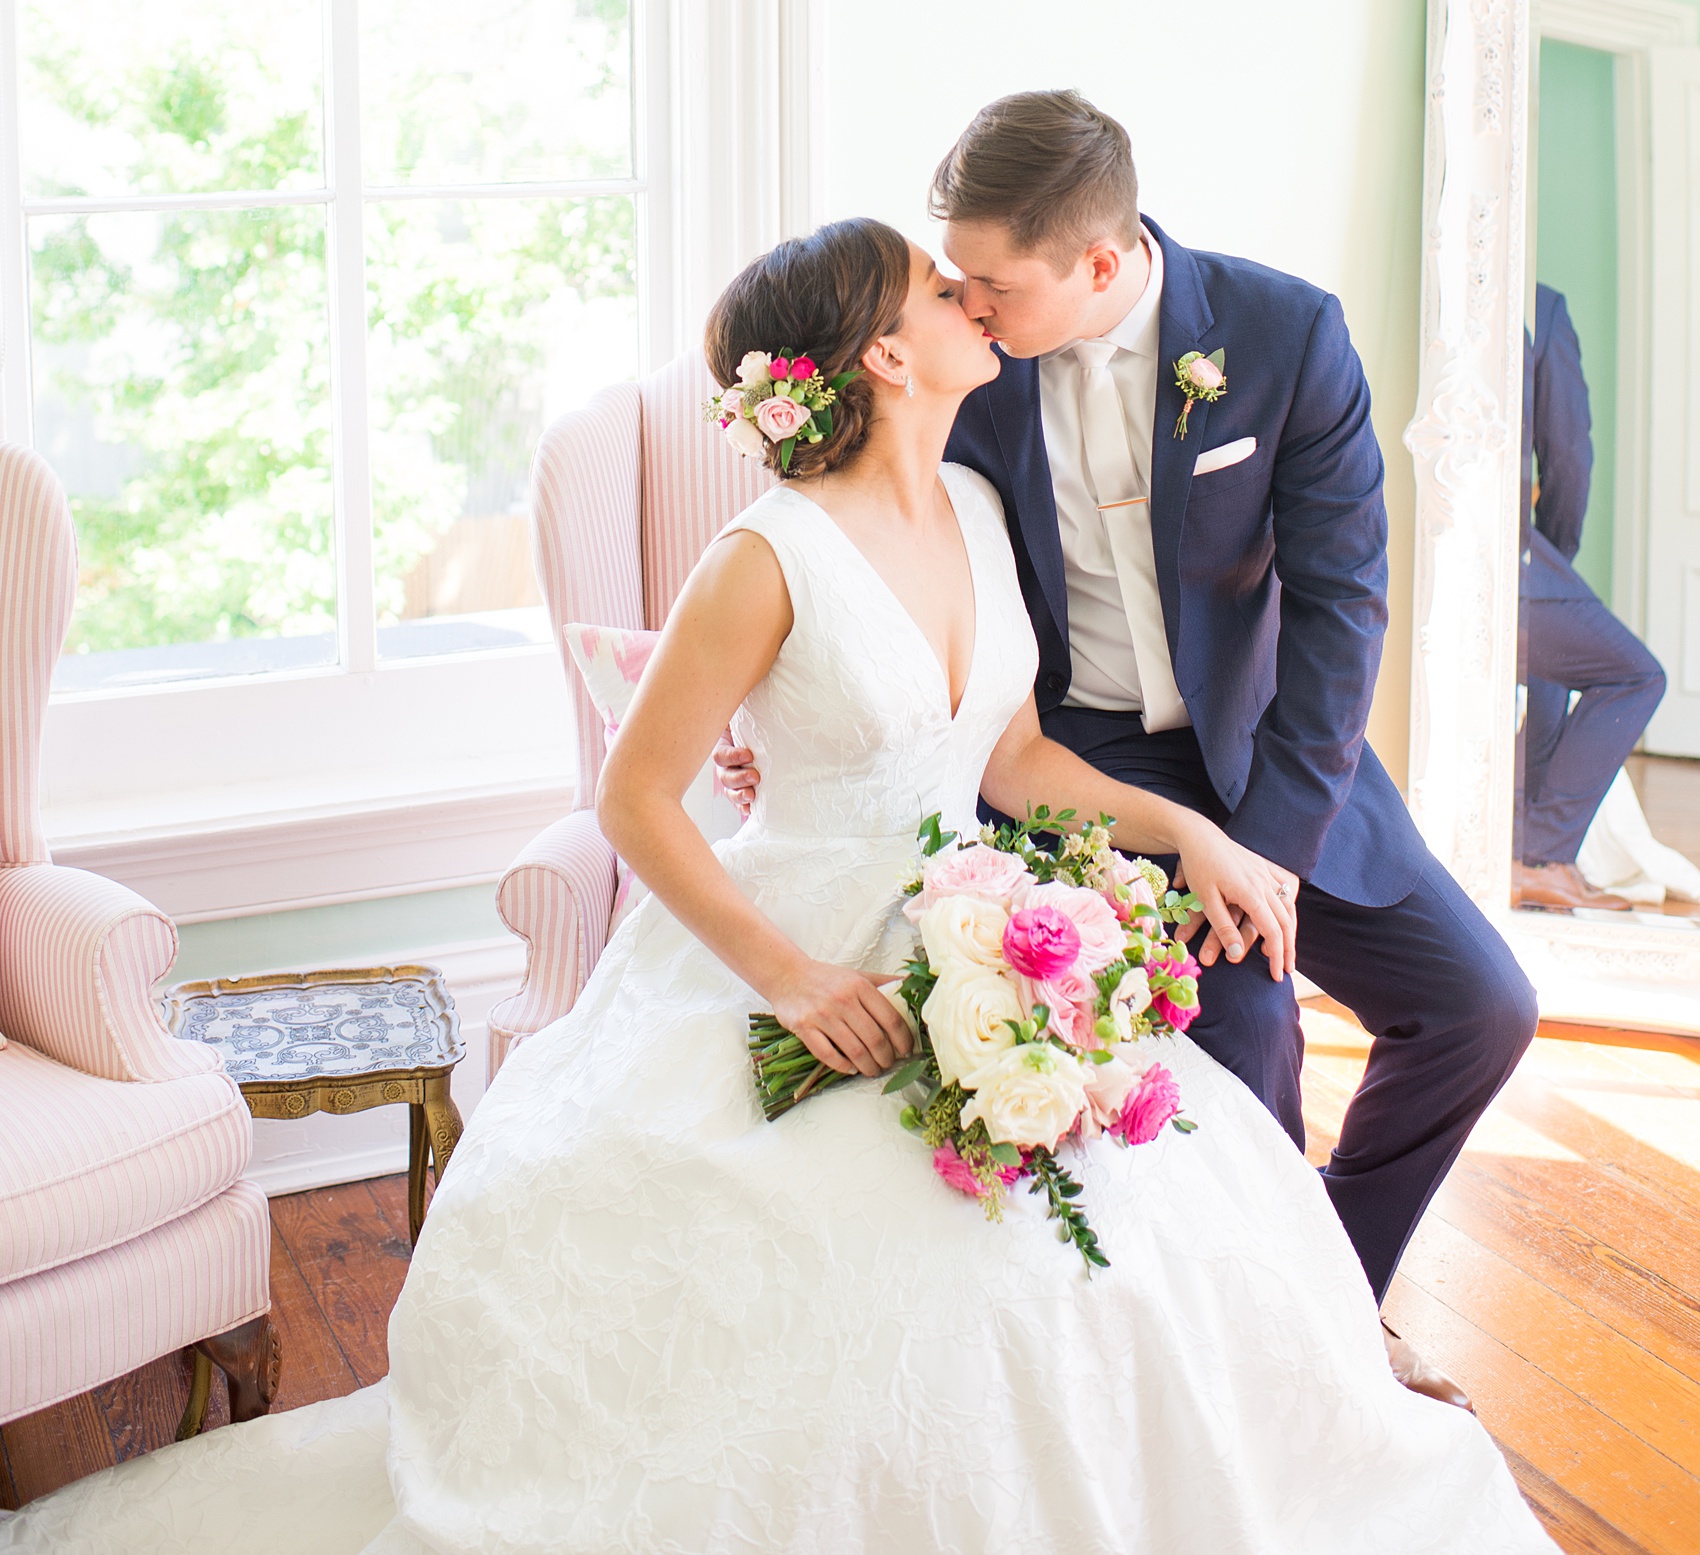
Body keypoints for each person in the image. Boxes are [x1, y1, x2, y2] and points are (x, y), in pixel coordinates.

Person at [2, 220, 1549, 1555]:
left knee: (1095, 1249)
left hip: (973, 919)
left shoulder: (983, 511)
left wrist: (1186, 831)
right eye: (945, 290)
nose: (975, 302)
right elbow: (634, 795)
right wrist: (795, 976)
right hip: (792, 942)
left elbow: (1009, 756)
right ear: (885, 351)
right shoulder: (761, 554)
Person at [718, 93, 1538, 1411]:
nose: (967, 303)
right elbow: (855, 540)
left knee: (1482, 1008)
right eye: (957, 274)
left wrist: (1267, 849)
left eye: (994, 281)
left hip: (1283, 750)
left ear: (1100, 265)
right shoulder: (969, 377)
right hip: (1083, 762)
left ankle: (1322, 1286)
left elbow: (1343, 602)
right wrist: (795, 720)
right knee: (1250, 1015)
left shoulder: (1284, 334)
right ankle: (1274, 1359)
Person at [1513, 283, 1666, 913]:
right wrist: (1553, 558)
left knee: (1552, 664)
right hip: (1512, 546)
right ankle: (1540, 855)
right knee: (1637, 676)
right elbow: (1569, 456)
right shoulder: (1539, 305)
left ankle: (1531, 854)